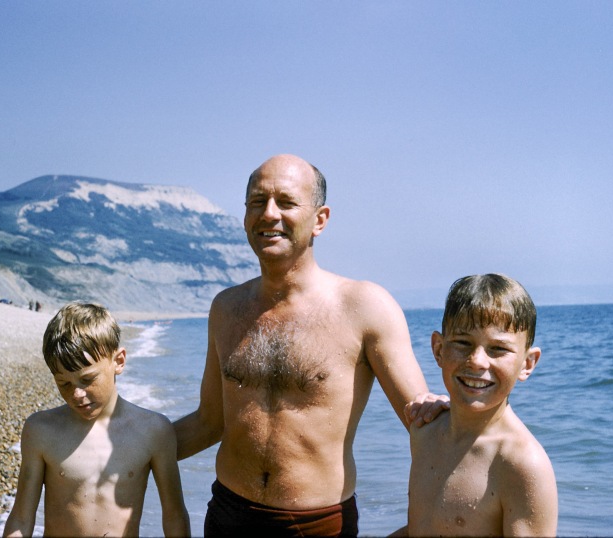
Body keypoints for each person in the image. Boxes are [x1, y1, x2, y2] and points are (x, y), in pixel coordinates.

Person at [173, 154, 447, 536]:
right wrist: (125, 445)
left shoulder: (364, 306)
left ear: (320, 219)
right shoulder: (226, 308)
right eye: (257, 201)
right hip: (227, 515)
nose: (269, 214)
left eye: (286, 202)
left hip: (317, 525)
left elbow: (422, 421)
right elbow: (210, 421)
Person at [3, 302, 190, 537]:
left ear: (119, 362)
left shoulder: (154, 430)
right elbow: (21, 517)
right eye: (64, 384)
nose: (77, 394)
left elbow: (174, 516)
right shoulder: (41, 430)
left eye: (88, 379)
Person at [406, 274, 558, 537]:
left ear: (527, 364)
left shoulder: (521, 463)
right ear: (438, 349)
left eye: (498, 349)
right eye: (463, 343)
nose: (477, 361)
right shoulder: (425, 432)